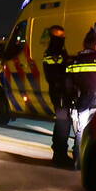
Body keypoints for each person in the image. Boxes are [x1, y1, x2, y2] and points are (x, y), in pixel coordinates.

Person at [64, 28, 96, 169]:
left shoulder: (74, 61)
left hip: (82, 100)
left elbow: (68, 84)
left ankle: (78, 162)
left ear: (84, 44)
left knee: (81, 130)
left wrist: (71, 99)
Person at [42, 25, 71, 166]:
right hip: (58, 92)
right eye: (60, 37)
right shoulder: (52, 53)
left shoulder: (60, 51)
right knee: (62, 122)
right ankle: (59, 154)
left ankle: (61, 153)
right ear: (54, 38)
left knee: (64, 122)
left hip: (63, 92)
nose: (63, 39)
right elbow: (54, 75)